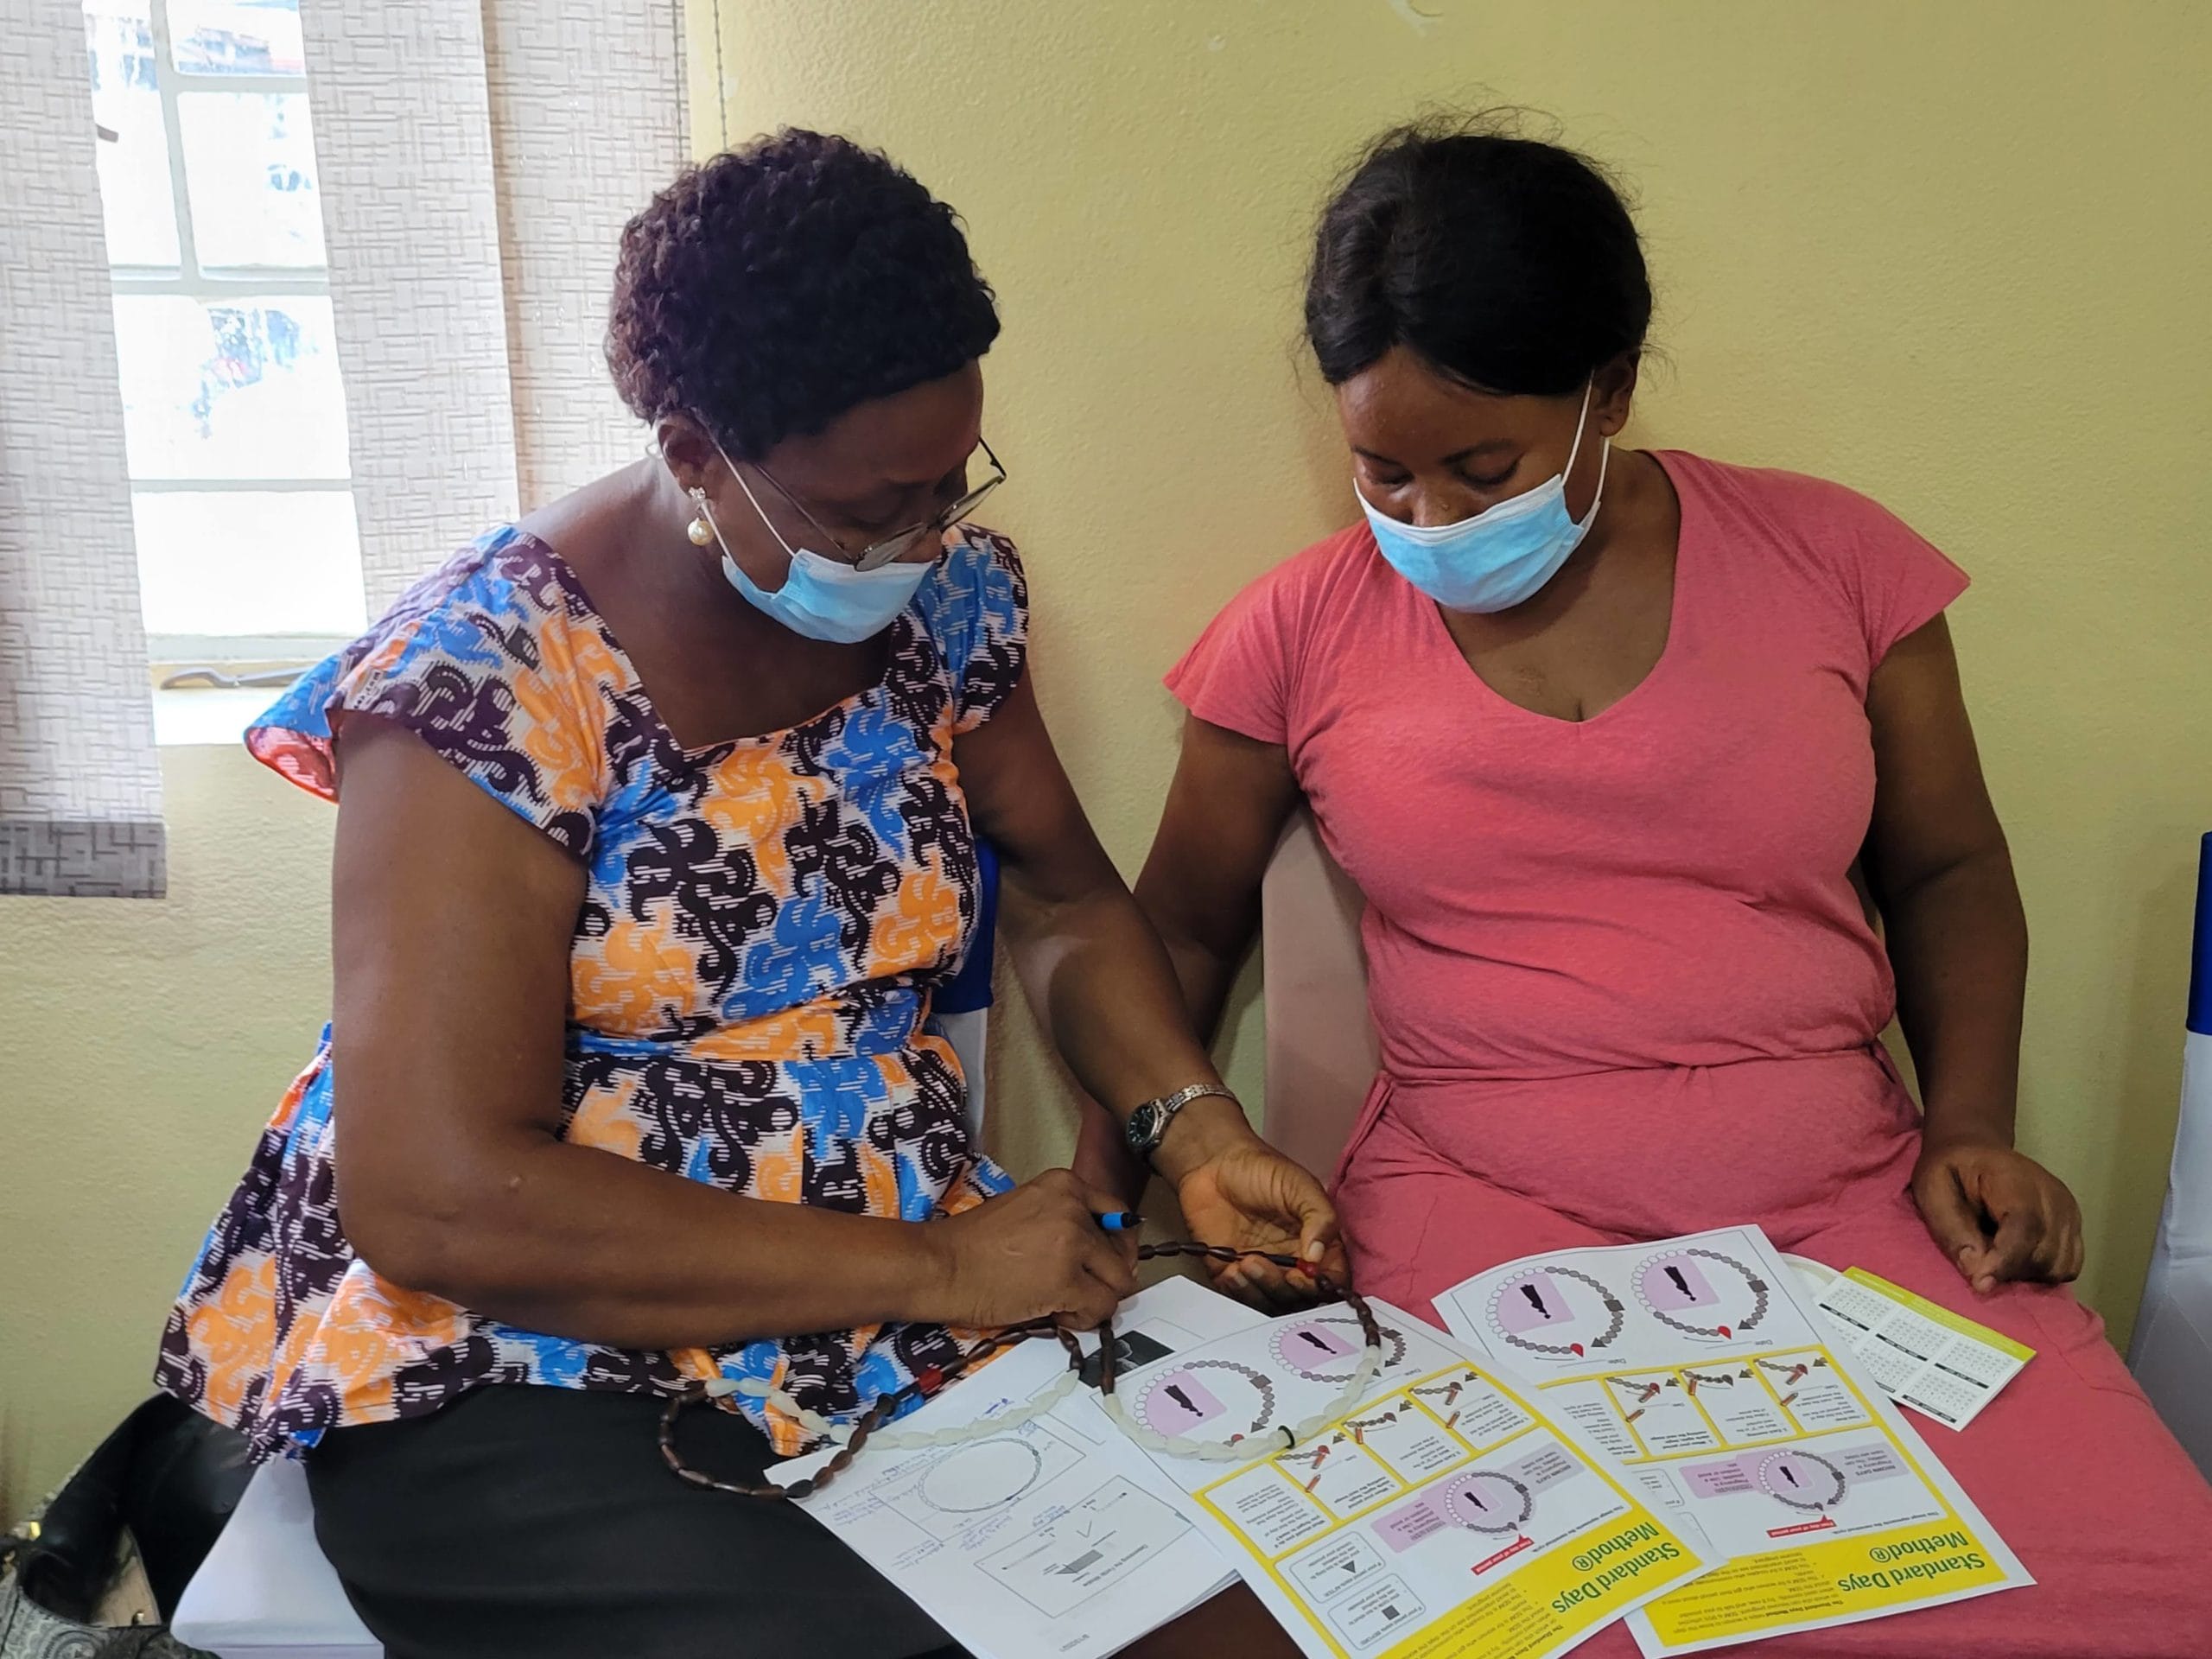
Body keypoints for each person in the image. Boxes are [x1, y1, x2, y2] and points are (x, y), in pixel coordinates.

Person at [156, 130, 1328, 1659]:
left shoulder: (947, 599)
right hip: (529, 1348)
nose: (922, 539)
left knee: (1247, 1605)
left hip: (892, 1294)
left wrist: (1196, 1122)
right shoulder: (487, 676)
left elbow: (1061, 901)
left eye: (948, 483)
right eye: (870, 506)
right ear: (695, 446)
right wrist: (942, 1267)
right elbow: (436, 1193)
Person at [1123, 118, 2212, 1655]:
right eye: (1383, 473)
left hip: (1847, 1211)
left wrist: (1973, 1124)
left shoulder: (1837, 563)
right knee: (1539, 1615)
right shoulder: (1299, 629)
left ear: (1610, 393)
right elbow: (1167, 928)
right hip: (1479, 1219)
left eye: (1482, 467)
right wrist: (1163, 1175)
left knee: (2128, 1592)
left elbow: (1954, 864)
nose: (1429, 520)